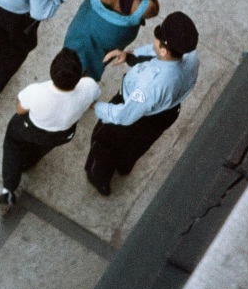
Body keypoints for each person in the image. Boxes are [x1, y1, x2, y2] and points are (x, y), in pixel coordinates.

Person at [85, 11, 199, 196]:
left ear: (163, 50)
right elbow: (154, 53)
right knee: (137, 146)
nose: (154, 40)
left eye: (158, 39)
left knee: (105, 142)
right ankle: (124, 167)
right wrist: (130, 56)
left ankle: (98, 177)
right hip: (166, 113)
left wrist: (94, 106)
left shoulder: (150, 84)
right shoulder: (190, 54)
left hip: (138, 112)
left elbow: (123, 116)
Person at [0, 48, 100, 205]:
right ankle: (27, 163)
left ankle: (8, 190)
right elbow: (93, 102)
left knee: (13, 145)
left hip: (29, 128)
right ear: (79, 74)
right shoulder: (90, 86)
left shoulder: (36, 90)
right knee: (41, 147)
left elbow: (20, 109)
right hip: (61, 134)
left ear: (52, 70)